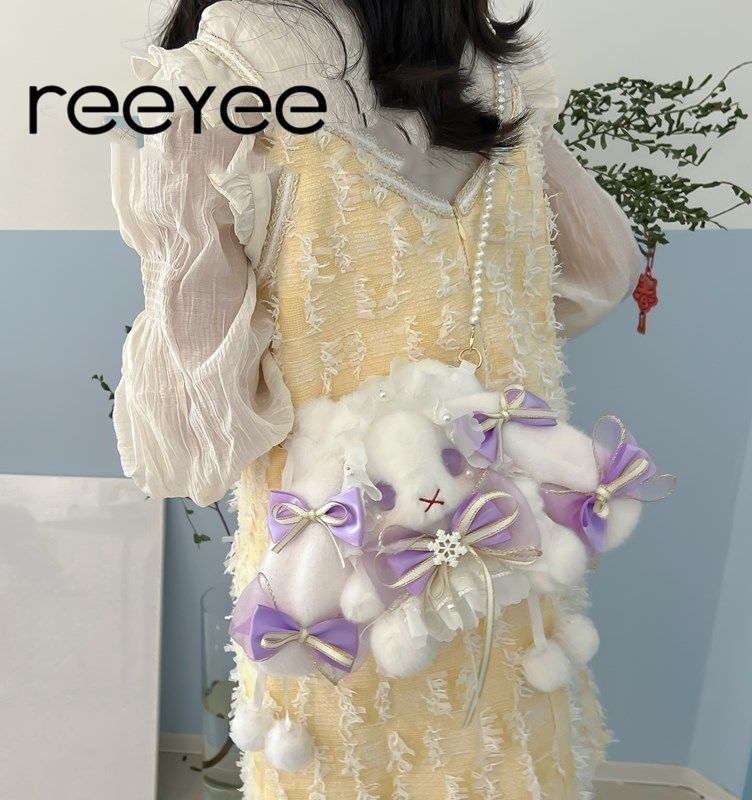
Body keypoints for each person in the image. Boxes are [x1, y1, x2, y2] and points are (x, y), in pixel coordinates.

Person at [110, 1, 641, 797]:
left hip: (331, 569)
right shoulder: (490, 71)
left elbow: (198, 424)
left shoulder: (222, 70)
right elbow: (602, 270)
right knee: (504, 754)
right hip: (502, 543)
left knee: (338, 762)